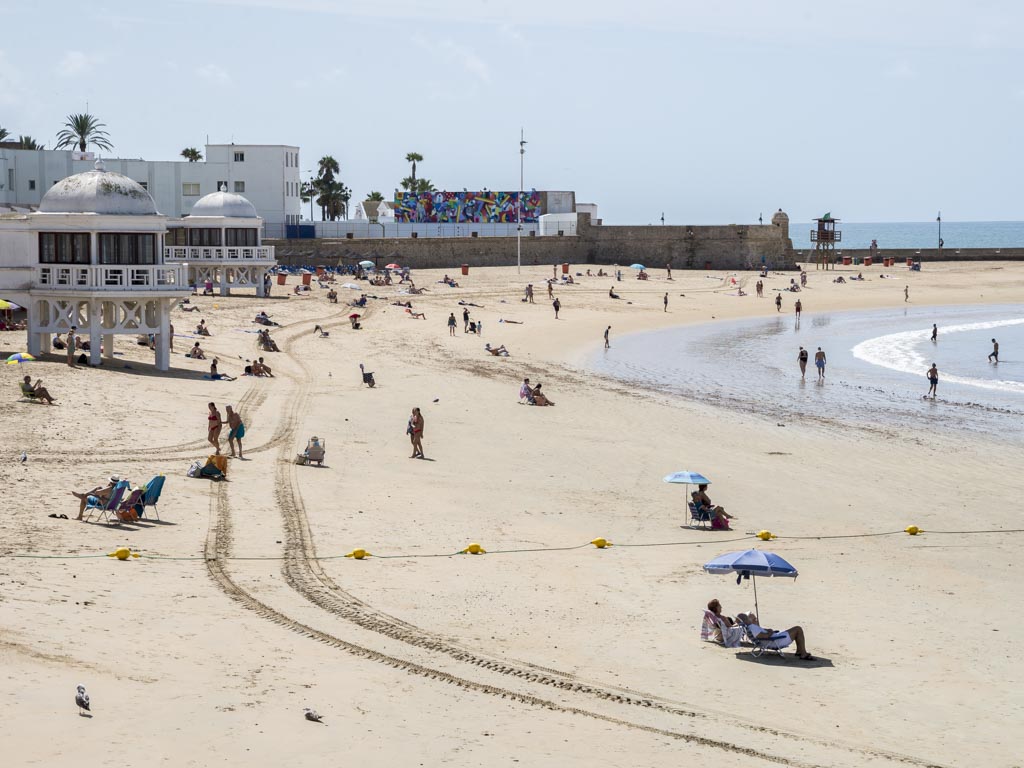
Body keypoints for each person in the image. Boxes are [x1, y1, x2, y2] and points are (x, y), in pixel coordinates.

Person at [737, 612, 814, 661]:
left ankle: (799, 651)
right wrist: (770, 631)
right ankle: (803, 653)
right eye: (751, 618)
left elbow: (761, 634)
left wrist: (765, 629)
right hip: (775, 640)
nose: (754, 619)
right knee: (798, 629)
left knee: (797, 629)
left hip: (773, 639)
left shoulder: (752, 627)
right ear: (747, 620)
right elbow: (764, 636)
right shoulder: (753, 627)